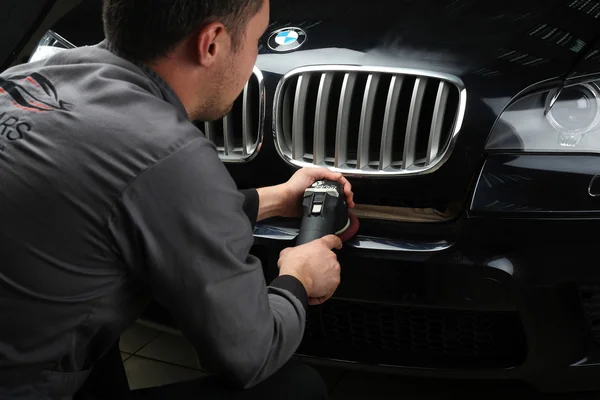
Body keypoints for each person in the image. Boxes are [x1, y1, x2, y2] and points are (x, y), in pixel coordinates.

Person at [0, 0, 355, 398]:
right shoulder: (166, 150)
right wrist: (299, 278)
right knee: (296, 390)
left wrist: (278, 198)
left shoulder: (26, 77)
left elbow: (134, 202)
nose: (255, 52)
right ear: (212, 44)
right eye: (257, 40)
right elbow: (252, 354)